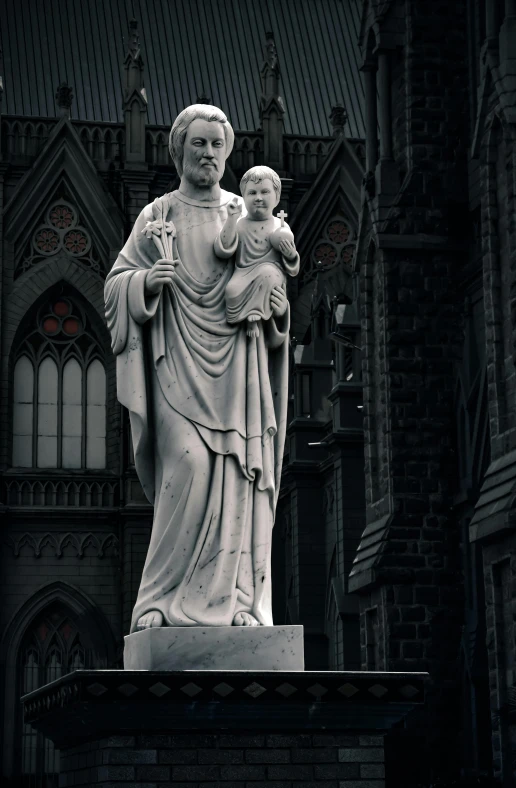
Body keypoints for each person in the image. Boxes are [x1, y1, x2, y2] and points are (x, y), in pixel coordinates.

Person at [105, 105, 291, 631]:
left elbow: (275, 281)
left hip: (237, 369)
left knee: (235, 476)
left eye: (216, 145)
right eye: (198, 144)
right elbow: (115, 284)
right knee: (187, 465)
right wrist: (146, 283)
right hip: (176, 366)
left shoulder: (246, 210)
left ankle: (236, 603)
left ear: (227, 153)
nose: (208, 153)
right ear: (179, 150)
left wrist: (274, 305)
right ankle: (160, 601)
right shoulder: (156, 216)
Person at [215, 166, 299, 337]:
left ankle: (255, 317)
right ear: (243, 197)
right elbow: (224, 248)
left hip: (270, 274)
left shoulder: (279, 225)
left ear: (277, 197)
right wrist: (231, 219)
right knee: (231, 291)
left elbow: (291, 265)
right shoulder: (240, 224)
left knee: (268, 274)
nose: (258, 198)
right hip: (243, 272)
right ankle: (247, 317)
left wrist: (290, 255)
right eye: (252, 193)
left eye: (265, 192)